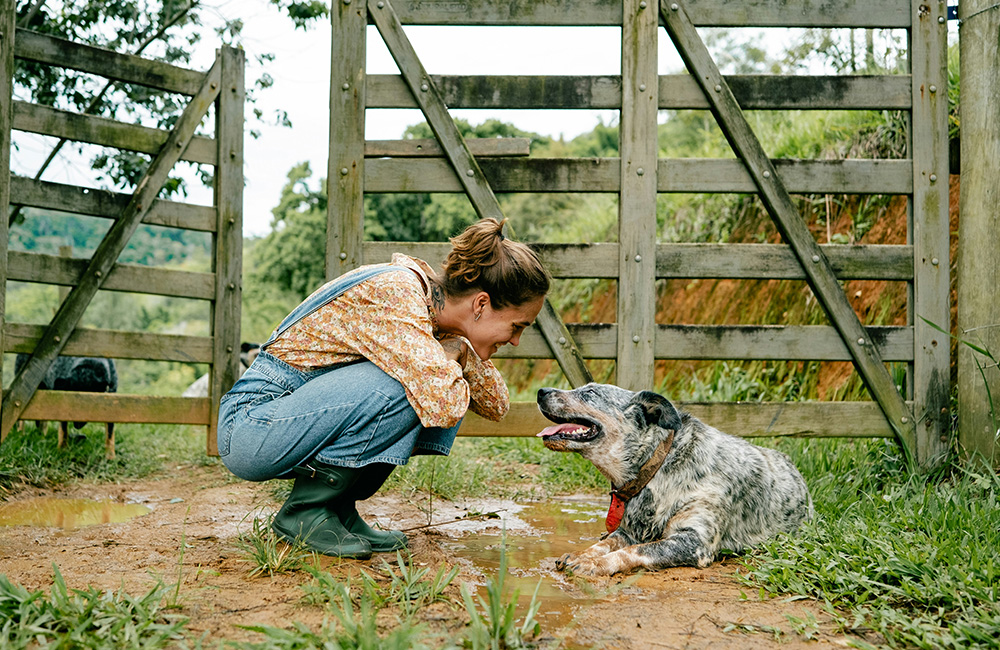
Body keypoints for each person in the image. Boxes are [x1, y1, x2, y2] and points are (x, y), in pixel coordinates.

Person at [217, 218, 549, 558]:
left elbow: (496, 404)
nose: (516, 340)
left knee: (430, 377)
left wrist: (459, 347)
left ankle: (337, 509)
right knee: (412, 385)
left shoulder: (432, 317)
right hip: (250, 427)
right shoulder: (398, 296)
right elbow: (447, 404)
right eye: (516, 326)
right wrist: (452, 353)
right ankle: (305, 512)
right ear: (480, 305)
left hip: (285, 419)